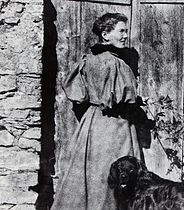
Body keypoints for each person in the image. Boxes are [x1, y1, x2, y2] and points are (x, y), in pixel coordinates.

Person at [51, 13, 153, 210]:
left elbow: (79, 94)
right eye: (121, 31)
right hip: (115, 126)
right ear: (105, 35)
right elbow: (121, 100)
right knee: (114, 172)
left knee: (92, 172)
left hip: (92, 123)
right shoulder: (114, 62)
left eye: (126, 31)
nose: (125, 36)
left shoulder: (88, 60)